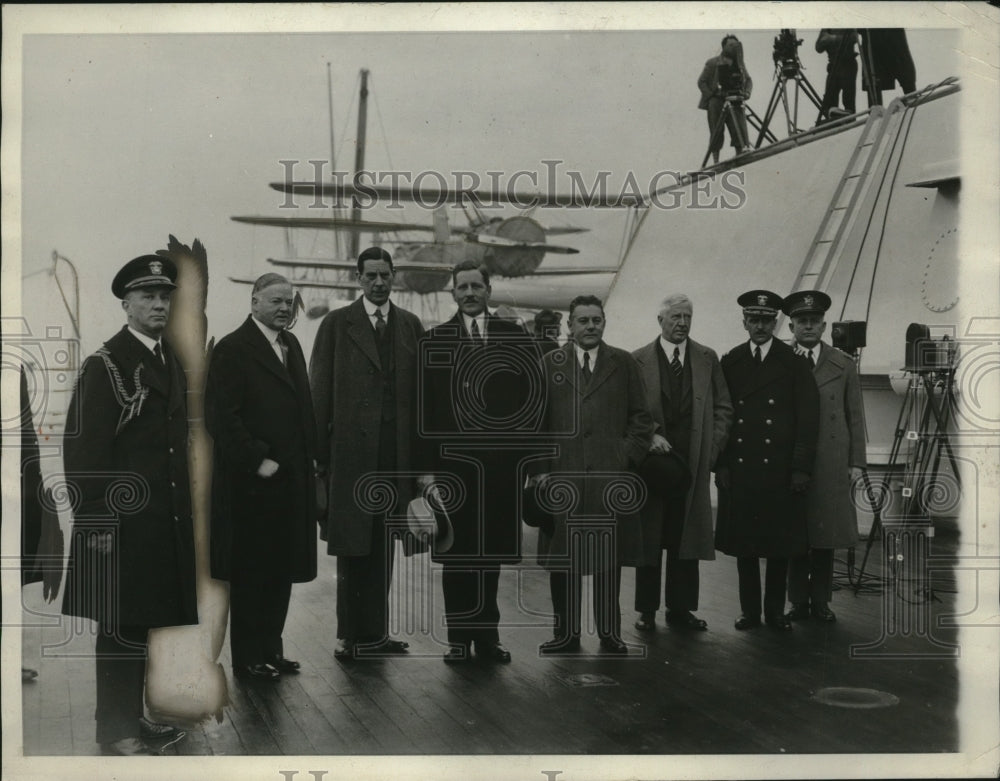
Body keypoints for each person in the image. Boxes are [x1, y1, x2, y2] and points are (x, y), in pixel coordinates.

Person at [61, 255, 196, 755]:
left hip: (159, 523)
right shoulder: (106, 364)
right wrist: (95, 520)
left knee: (137, 623)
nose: (159, 304)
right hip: (118, 524)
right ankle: (115, 731)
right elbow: (82, 452)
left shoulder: (167, 358)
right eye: (147, 296)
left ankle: (131, 719)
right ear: (126, 304)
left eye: (165, 296)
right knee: (119, 625)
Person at [418, 259, 544, 663]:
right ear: (452, 293)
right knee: (456, 554)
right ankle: (458, 638)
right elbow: (424, 412)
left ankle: (487, 637)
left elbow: (533, 403)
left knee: (489, 556)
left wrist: (528, 464)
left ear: (489, 290)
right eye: (462, 287)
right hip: (452, 469)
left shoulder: (516, 337)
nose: (470, 294)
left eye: (476, 286)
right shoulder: (434, 340)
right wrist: (427, 473)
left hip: (501, 469)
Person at [310, 247, 424, 660]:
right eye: (370, 275)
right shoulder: (337, 324)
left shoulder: (410, 325)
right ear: (358, 279)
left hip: (395, 457)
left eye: (384, 275)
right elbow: (319, 390)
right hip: (352, 456)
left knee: (386, 544)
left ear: (394, 277)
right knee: (353, 547)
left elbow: (423, 399)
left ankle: (375, 633)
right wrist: (319, 458)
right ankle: (349, 635)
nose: (378, 282)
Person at [205, 273, 317, 680]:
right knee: (252, 574)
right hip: (251, 486)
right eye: (275, 301)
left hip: (289, 484)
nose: (285, 308)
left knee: (280, 570)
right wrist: (257, 460)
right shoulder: (233, 348)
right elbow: (220, 417)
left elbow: (303, 409)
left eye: (289, 301)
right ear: (254, 303)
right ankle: (249, 657)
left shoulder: (290, 345)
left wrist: (312, 460)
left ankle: (272, 649)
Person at [536, 295, 653, 655]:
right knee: (564, 558)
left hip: (609, 478)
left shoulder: (624, 363)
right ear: (570, 326)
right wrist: (542, 470)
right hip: (564, 478)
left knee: (608, 558)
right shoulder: (550, 363)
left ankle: (609, 632)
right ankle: (566, 634)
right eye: (582, 321)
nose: (590, 327)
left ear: (604, 323)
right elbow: (536, 422)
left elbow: (641, 418)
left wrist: (624, 458)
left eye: (596, 320)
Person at [714, 290, 819, 632]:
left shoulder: (794, 363)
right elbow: (724, 417)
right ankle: (749, 612)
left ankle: (774, 611)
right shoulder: (730, 362)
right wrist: (723, 465)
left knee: (777, 545)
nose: (759, 326)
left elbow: (808, 419)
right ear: (743, 322)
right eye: (753, 319)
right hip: (742, 469)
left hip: (780, 469)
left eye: (766, 320)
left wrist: (801, 468)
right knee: (745, 546)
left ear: (776, 322)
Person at [630, 294, 733, 632]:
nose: (683, 323)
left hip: (692, 464)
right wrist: (650, 436)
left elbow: (723, 408)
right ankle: (646, 609)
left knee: (685, 534)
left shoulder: (707, 358)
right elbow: (630, 412)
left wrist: (711, 449)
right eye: (675, 317)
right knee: (650, 533)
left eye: (687, 317)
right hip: (654, 465)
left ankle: (681, 609)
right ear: (660, 321)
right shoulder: (638, 360)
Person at [782, 290, 867, 623]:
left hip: (831, 460)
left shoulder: (843, 364)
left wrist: (856, 461)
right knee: (795, 533)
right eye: (802, 321)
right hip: (794, 460)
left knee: (825, 535)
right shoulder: (783, 360)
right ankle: (797, 601)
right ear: (791, 325)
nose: (808, 326)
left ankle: (821, 602)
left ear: (824, 325)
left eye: (814, 321)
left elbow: (854, 415)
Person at [697, 34, 753, 164]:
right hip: (717, 101)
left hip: (735, 98)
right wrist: (712, 94)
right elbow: (701, 82)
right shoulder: (712, 63)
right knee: (716, 131)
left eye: (736, 44)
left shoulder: (740, 64)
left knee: (739, 126)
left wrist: (747, 92)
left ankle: (740, 155)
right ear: (724, 47)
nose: (734, 47)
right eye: (730, 45)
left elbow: (748, 80)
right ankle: (716, 161)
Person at [816, 29, 859, 118]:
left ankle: (849, 123)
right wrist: (837, 39)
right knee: (829, 103)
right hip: (833, 67)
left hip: (848, 64)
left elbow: (853, 38)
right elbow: (818, 47)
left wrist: (831, 39)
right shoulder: (827, 27)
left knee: (848, 101)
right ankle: (834, 123)